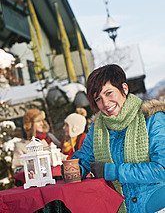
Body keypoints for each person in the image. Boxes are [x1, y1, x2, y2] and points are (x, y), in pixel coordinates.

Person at [70, 64, 165, 213]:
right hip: (117, 207)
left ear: (124, 89)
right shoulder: (98, 128)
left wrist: (114, 171)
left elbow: (161, 169)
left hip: (156, 207)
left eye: (109, 93)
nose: (105, 103)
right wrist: (72, 169)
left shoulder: (153, 119)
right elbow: (84, 158)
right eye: (98, 99)